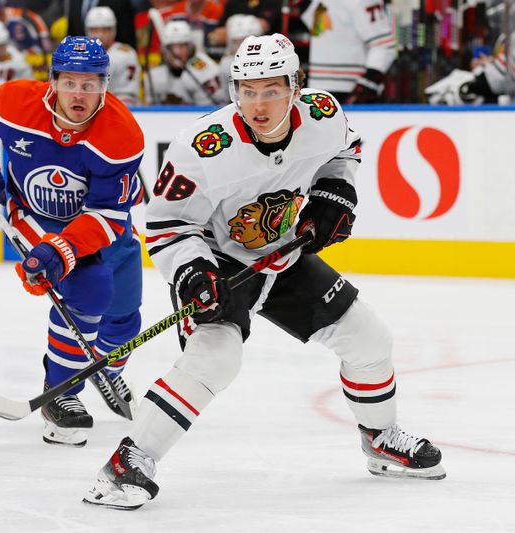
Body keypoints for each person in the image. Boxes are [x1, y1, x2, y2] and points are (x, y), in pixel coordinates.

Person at [83, 33, 445, 510]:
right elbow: (168, 225)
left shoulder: (322, 114)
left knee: (368, 337)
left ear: (295, 87)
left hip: (283, 254)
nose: (258, 103)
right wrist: (193, 273)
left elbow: (344, 151)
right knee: (217, 358)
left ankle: (379, 438)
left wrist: (335, 193)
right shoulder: (203, 146)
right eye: (247, 90)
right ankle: (127, 462)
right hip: (217, 263)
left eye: (271, 90)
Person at [0, 36, 145, 446]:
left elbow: (107, 216)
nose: (80, 94)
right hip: (35, 218)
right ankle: (62, 396)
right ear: (52, 81)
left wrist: (65, 249)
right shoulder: (16, 103)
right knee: (90, 288)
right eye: (70, 82)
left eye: (90, 84)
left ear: (105, 85)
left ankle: (106, 367)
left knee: (126, 319)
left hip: (103, 225)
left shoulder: (122, 135)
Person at [300, 0, 396, 104]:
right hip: (317, 87)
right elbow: (319, 29)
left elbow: (383, 45)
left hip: (349, 89)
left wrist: (367, 84)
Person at [144, 20, 228, 105]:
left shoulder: (205, 69)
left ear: (190, 47)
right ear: (164, 50)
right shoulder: (154, 76)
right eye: (171, 47)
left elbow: (217, 109)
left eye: (182, 46)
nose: (177, 53)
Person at [85, 6, 141, 105]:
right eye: (94, 30)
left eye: (104, 30)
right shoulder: (79, 54)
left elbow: (127, 97)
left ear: (113, 30)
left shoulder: (125, 54)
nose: (99, 35)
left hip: (118, 107)